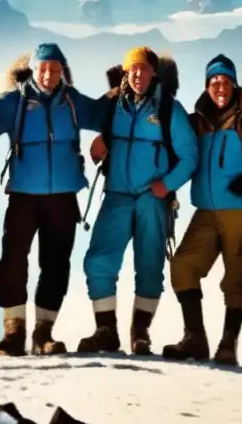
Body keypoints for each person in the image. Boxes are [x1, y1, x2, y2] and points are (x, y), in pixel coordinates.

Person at [162, 55, 242, 366]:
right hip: (204, 211)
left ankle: (228, 344)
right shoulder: (198, 122)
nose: (220, 87)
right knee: (182, 266)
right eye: (214, 82)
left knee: (234, 279)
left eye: (225, 82)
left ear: (234, 84)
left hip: (240, 212)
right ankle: (195, 338)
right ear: (207, 86)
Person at [0, 42, 108, 357]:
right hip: (24, 196)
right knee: (12, 262)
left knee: (56, 265)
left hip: (63, 197)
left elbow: (105, 115)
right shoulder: (15, 101)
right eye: (43, 68)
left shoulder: (72, 102)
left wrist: (117, 96)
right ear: (33, 69)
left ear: (62, 71)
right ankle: (13, 334)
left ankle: (43, 333)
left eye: (55, 69)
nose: (49, 74)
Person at [78, 46, 198, 355]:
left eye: (144, 69)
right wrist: (97, 145)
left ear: (154, 73)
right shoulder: (111, 105)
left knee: (149, 265)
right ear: (126, 72)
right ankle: (106, 331)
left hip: (151, 198)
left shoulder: (170, 109)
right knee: (98, 261)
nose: (139, 75)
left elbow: (190, 156)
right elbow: (90, 125)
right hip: (117, 194)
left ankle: (140, 332)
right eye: (134, 69)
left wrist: (167, 185)